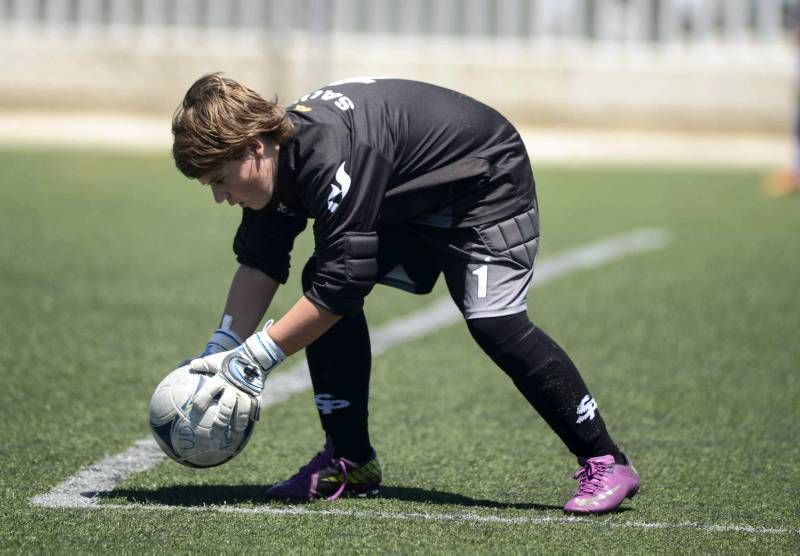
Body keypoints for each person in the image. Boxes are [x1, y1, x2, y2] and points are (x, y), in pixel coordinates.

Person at [172, 74, 640, 514]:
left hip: (482, 181)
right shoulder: (276, 160)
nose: (219, 197)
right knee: (323, 278)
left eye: (219, 180)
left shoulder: (330, 153)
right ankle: (352, 462)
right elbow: (260, 262)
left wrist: (256, 358)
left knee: (494, 321)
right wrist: (222, 347)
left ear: (254, 147)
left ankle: (606, 459)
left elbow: (344, 282)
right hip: (412, 195)